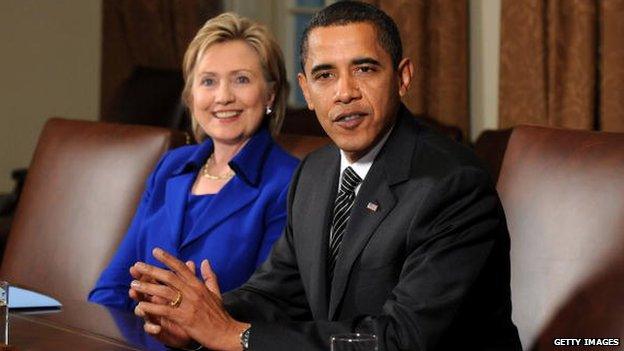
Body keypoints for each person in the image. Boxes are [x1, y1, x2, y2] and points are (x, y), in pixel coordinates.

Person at [129, 2, 522, 350]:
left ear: (402, 78)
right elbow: (278, 295)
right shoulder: (315, 173)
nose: (345, 92)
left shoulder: (454, 185)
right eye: (325, 76)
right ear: (306, 90)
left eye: (364, 69)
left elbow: (402, 338)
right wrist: (203, 317)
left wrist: (236, 335)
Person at [88, 12, 299, 310]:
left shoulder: (290, 182)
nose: (223, 96)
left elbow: (268, 308)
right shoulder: (170, 166)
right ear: (191, 97)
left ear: (270, 95)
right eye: (208, 81)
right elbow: (112, 286)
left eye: (241, 79)